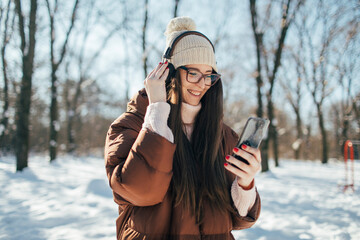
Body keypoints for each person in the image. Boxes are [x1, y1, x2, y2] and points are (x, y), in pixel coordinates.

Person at [104, 16, 261, 240]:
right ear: (170, 73)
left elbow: (238, 218)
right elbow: (139, 192)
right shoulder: (131, 126)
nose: (202, 84)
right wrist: (157, 110)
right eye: (193, 73)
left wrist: (245, 184)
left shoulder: (224, 135)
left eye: (209, 76)